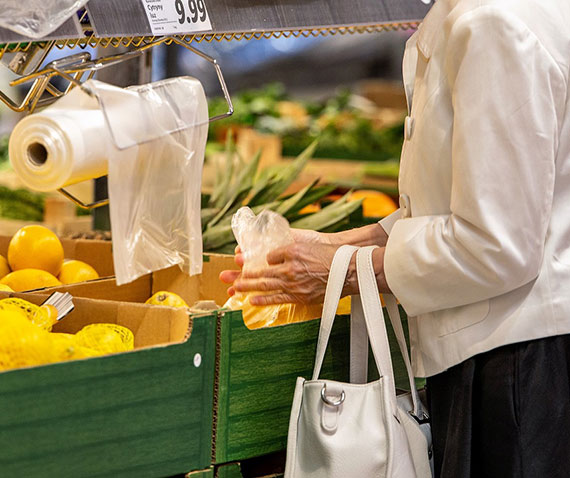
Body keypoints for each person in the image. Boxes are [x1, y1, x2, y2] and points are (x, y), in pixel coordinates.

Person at [220, 0, 570, 476]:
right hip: (507, 350)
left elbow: (495, 244)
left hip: (517, 369)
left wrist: (340, 271)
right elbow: (460, 202)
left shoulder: (493, 24)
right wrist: (334, 247)